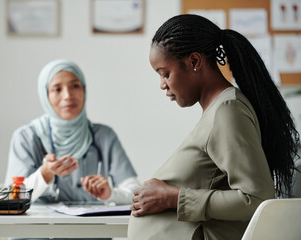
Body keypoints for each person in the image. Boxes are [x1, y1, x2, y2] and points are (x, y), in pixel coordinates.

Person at [128, 14, 300, 240]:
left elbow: (256, 198)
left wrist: (173, 198)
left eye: (165, 73)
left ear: (194, 62)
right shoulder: (219, 109)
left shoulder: (228, 111)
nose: (162, 85)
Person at [5, 59, 139, 210]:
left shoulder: (104, 136)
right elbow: (11, 200)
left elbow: (135, 193)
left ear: (84, 90)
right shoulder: (26, 137)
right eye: (57, 89)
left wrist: (111, 194)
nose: (68, 95)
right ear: (45, 95)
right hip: (37, 231)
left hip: (90, 231)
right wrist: (44, 174)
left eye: (75, 86)